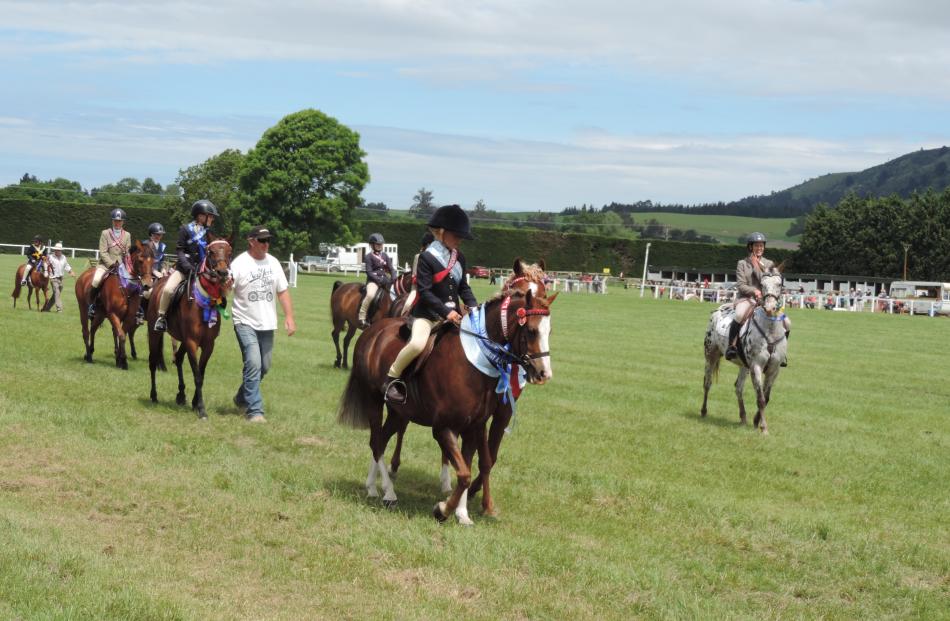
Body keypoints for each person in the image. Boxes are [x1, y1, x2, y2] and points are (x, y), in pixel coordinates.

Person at [383, 205, 477, 404]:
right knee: (417, 344)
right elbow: (424, 292)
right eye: (456, 235)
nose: (459, 240)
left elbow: (463, 288)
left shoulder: (459, 257)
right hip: (426, 315)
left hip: (454, 315)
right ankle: (392, 378)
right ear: (441, 233)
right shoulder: (427, 257)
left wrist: (475, 308)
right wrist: (446, 312)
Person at [230, 226, 296, 422]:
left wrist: (289, 317)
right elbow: (227, 288)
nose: (266, 244)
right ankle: (255, 411)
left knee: (264, 367)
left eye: (268, 240)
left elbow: (282, 291)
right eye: (262, 240)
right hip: (244, 321)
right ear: (251, 241)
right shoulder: (240, 263)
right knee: (253, 362)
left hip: (267, 323)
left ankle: (242, 397)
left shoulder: (273, 263)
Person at [725, 232, 790, 366]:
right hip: (746, 298)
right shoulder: (742, 263)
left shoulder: (769, 263)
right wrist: (754, 290)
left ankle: (782, 353)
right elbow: (741, 285)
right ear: (750, 247)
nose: (759, 248)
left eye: (761, 246)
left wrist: (759, 267)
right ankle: (732, 346)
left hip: (766, 300)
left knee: (787, 323)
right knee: (739, 314)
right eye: (756, 245)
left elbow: (771, 281)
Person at [154, 200, 219, 332]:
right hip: (185, 270)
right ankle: (161, 317)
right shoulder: (185, 229)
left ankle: (213, 319)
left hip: (203, 271)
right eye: (210, 216)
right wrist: (188, 267)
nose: (212, 219)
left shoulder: (209, 232)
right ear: (200, 216)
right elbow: (180, 250)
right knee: (168, 289)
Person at [88, 209, 132, 317]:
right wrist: (111, 264)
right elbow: (103, 252)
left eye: (120, 221)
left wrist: (126, 263)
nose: (117, 223)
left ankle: (132, 308)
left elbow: (127, 252)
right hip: (105, 265)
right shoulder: (105, 233)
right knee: (96, 280)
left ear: (123, 222)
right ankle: (92, 306)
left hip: (121, 266)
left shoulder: (127, 235)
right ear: (112, 221)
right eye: (115, 221)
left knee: (133, 284)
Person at [357, 232, 397, 328]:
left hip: (385, 280)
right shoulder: (368, 256)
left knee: (396, 294)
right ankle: (362, 316)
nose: (379, 246)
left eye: (381, 244)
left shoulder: (385, 256)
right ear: (372, 245)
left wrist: (393, 277)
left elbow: (391, 268)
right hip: (373, 281)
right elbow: (369, 272)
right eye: (377, 244)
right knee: (370, 295)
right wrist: (378, 280)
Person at [137, 222, 168, 324]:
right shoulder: (145, 245)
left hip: (160, 273)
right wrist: (154, 271)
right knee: (146, 293)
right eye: (156, 234)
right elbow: (145, 262)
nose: (158, 237)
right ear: (151, 235)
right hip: (147, 272)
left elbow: (162, 260)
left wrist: (163, 269)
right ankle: (139, 313)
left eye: (160, 235)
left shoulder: (162, 246)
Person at [398, 231, 435, 316]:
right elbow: (414, 276)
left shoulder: (438, 259)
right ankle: (402, 317)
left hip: (434, 289)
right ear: (426, 245)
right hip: (417, 289)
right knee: (407, 305)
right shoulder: (418, 257)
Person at [47, 242, 75, 312]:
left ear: (61, 250)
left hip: (61, 279)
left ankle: (46, 309)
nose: (57, 251)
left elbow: (66, 265)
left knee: (55, 295)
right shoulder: (50, 257)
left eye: (59, 250)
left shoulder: (63, 257)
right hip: (53, 278)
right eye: (56, 250)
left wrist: (71, 271)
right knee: (57, 293)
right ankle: (59, 309)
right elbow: (46, 265)